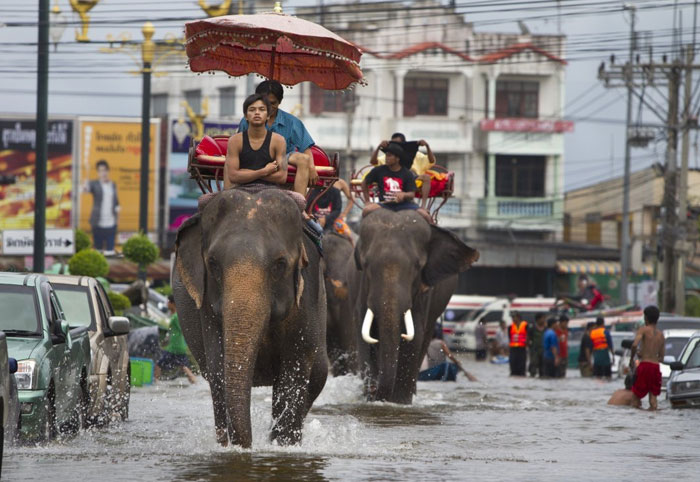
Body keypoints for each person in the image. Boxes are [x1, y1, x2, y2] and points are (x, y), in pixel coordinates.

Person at [238, 80, 318, 196]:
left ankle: (300, 204)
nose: (269, 107)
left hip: (283, 159)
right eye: (265, 103)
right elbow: (239, 144)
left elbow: (305, 147)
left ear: (279, 102)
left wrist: (311, 166)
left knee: (304, 159)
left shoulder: (292, 122)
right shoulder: (247, 120)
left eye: (273, 103)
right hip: (254, 157)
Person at [225, 94, 288, 189]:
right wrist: (264, 171)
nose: (257, 113)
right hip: (240, 190)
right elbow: (233, 176)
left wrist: (245, 173)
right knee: (204, 200)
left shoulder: (279, 140)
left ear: (268, 116)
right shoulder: (235, 141)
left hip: (271, 191)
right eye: (252, 110)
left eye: (262, 109)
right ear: (246, 116)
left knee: (298, 200)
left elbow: (282, 177)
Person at [361, 142, 433, 224]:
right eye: (386, 155)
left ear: (397, 159)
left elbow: (412, 194)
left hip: (404, 204)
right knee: (366, 210)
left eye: (389, 156)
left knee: (426, 216)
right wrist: (367, 201)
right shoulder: (379, 170)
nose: (386, 158)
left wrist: (404, 195)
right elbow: (364, 183)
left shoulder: (407, 173)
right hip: (385, 204)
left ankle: (433, 234)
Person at [370, 133, 436, 208]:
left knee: (426, 177)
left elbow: (431, 161)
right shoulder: (388, 156)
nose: (388, 158)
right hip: (392, 177)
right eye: (394, 144)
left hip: (410, 177)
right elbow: (373, 162)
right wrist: (379, 147)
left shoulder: (415, 155)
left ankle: (423, 207)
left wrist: (427, 146)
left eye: (398, 144)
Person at [629, 305, 665, 410]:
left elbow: (634, 345)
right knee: (653, 400)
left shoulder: (643, 330)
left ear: (646, 318)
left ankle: (640, 424)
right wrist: (651, 355)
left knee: (635, 399)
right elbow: (661, 358)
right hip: (655, 367)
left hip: (644, 366)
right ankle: (653, 423)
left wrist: (633, 358)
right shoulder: (661, 335)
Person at [155, 295, 196, 384]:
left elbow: (182, 329)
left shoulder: (177, 316)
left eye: (168, 302)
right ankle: (195, 383)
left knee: (158, 365)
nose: (167, 304)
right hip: (178, 345)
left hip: (175, 346)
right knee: (184, 366)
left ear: (172, 303)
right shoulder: (176, 315)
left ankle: (156, 384)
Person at [83, 159, 120, 255]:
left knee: (110, 251)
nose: (103, 173)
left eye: (104, 170)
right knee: (98, 250)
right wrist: (86, 178)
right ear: (98, 172)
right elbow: (85, 190)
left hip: (111, 222)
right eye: (100, 171)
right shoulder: (94, 184)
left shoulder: (112, 184)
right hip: (97, 222)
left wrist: (117, 218)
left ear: (108, 171)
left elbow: (116, 202)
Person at [508, 311, 528, 376]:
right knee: (513, 367)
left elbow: (528, 336)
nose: (513, 319)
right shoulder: (510, 327)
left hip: (522, 349)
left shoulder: (525, 325)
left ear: (519, 317)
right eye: (512, 317)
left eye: (514, 317)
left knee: (522, 367)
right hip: (513, 349)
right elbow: (510, 337)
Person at [528, 313, 546, 378]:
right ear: (538, 319)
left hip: (543, 351)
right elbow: (528, 339)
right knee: (533, 367)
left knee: (543, 369)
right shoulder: (532, 328)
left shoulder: (546, 329)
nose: (544, 320)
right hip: (534, 351)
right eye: (543, 318)